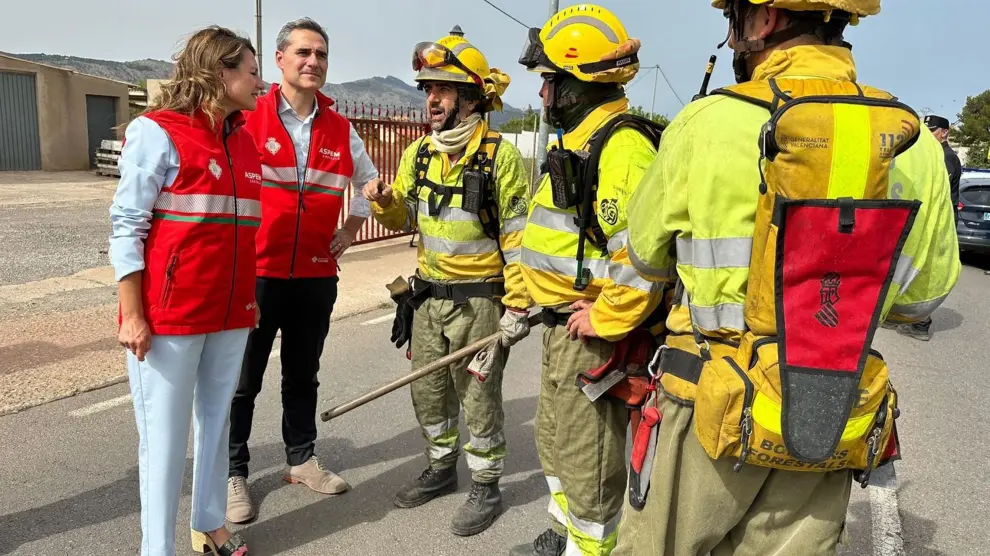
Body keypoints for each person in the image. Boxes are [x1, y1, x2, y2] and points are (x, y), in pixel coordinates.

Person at [613, 1, 960, 555]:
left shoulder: (707, 122)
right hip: (824, 406)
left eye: (735, 16)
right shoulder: (907, 139)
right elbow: (920, 302)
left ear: (766, 19)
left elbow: (648, 261)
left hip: (707, 403)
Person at [509, 5, 667, 556]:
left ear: (578, 84)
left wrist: (606, 316)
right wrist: (524, 301)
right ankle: (563, 536)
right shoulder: (579, 140)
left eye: (550, 82)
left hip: (593, 335)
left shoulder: (621, 148)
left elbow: (642, 256)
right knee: (554, 444)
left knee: (590, 460)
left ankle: (592, 548)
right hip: (561, 329)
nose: (543, 96)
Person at [363, 29, 532, 537]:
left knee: (478, 397)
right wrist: (385, 200)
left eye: (442, 88)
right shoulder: (419, 154)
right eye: (427, 88)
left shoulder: (500, 158)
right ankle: (441, 468)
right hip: (426, 303)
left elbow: (519, 242)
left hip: (480, 304)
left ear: (471, 97)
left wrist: (518, 307)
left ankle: (486, 484)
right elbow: (403, 220)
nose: (431, 99)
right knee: (430, 394)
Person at [109, 25, 264, 556]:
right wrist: (132, 314)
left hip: (232, 313)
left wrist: (248, 302)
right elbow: (126, 226)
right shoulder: (159, 132)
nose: (259, 80)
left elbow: (240, 231)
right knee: (165, 444)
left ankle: (211, 526)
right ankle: (158, 550)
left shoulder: (243, 140)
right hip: (169, 318)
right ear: (218, 71)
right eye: (250, 69)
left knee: (217, 424)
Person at [225, 17, 382, 523]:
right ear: (280, 61)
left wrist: (351, 229)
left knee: (302, 375)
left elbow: (370, 183)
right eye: (303, 53)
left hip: (316, 275)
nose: (313, 62)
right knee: (243, 379)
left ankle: (301, 459)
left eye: (321, 54)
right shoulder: (249, 117)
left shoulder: (340, 127)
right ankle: (233, 472)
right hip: (256, 274)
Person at [886, 114, 962, 341]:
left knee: (926, 270)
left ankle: (921, 322)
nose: (928, 134)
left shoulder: (945, 157)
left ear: (945, 132)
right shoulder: (931, 153)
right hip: (933, 218)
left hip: (938, 220)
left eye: (933, 130)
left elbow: (933, 191)